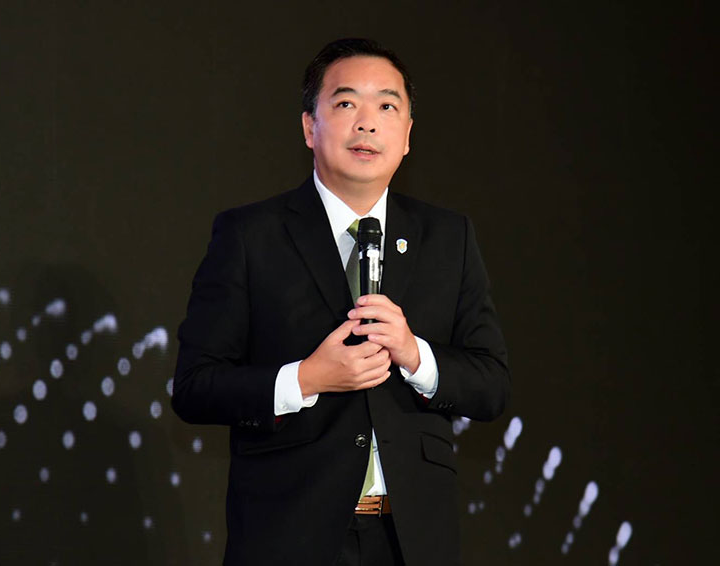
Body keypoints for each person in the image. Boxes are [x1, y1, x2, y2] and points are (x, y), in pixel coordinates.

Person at [172, 38, 510, 566]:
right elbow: (195, 388)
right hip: (290, 537)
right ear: (310, 127)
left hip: (411, 540)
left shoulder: (449, 238)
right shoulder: (251, 236)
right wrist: (307, 378)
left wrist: (415, 355)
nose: (367, 123)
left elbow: (491, 385)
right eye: (347, 103)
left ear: (407, 136)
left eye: (387, 106)